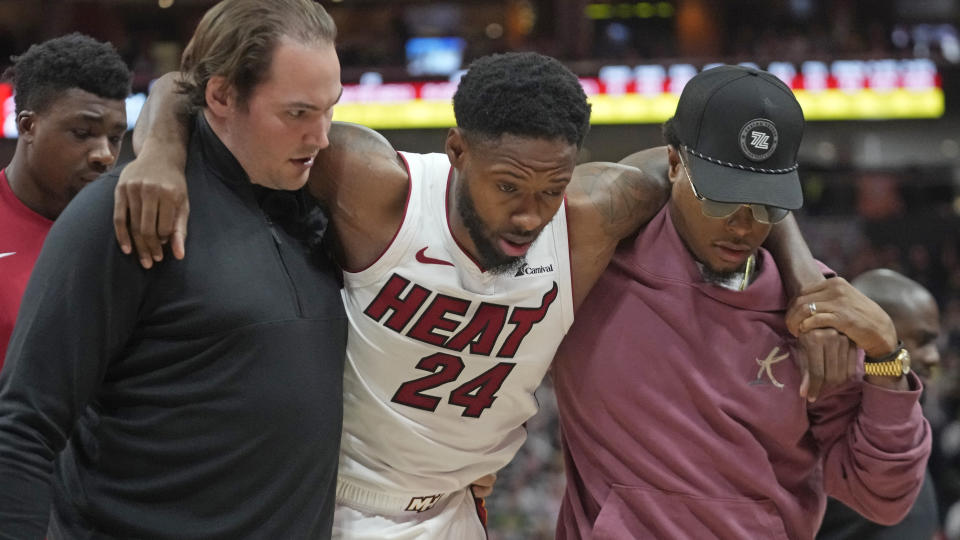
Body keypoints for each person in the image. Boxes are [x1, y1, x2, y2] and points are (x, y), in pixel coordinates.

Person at [115, 52, 845, 537]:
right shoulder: (379, 188)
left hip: (460, 511)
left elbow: (728, 177)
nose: (529, 216)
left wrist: (807, 274)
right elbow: (196, 86)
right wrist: (157, 152)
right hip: (330, 505)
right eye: (507, 188)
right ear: (457, 152)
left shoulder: (589, 216)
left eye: (549, 189)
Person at [0, 1, 347, 538]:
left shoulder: (322, 208)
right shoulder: (126, 212)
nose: (321, 136)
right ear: (222, 96)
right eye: (298, 113)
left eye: (331, 109)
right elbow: (22, 429)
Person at [552, 65, 932, 540]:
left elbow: (883, 498)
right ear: (673, 164)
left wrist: (885, 361)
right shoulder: (596, 264)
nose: (743, 224)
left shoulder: (818, 315)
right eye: (721, 196)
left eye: (765, 203)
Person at [0, 33, 130, 361]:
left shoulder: (128, 229)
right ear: (28, 126)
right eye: (82, 134)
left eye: (115, 138)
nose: (105, 154)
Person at [817, 268, 942, 540]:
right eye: (922, 341)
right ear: (870, 335)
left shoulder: (909, 423)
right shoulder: (826, 423)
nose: (933, 357)